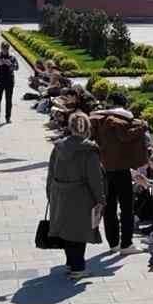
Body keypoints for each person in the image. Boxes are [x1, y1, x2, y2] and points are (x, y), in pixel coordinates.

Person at [46, 111, 107, 279]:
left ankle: (71, 262)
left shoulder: (58, 147)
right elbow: (95, 178)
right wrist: (101, 199)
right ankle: (78, 267)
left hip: (59, 192)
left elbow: (51, 172)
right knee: (79, 231)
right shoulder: (89, 150)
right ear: (87, 128)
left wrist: (49, 193)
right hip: (81, 196)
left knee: (66, 229)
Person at [91, 92, 150, 255]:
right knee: (126, 207)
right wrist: (143, 126)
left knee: (109, 207)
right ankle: (126, 244)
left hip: (104, 168)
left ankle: (113, 243)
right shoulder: (121, 119)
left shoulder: (99, 118)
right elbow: (125, 136)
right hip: (121, 168)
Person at [0, 44, 18, 124]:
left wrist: (10, 64)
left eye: (6, 49)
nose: (5, 50)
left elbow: (17, 67)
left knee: (8, 100)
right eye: (3, 48)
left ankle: (8, 117)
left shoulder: (12, 57)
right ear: (1, 48)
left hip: (9, 81)